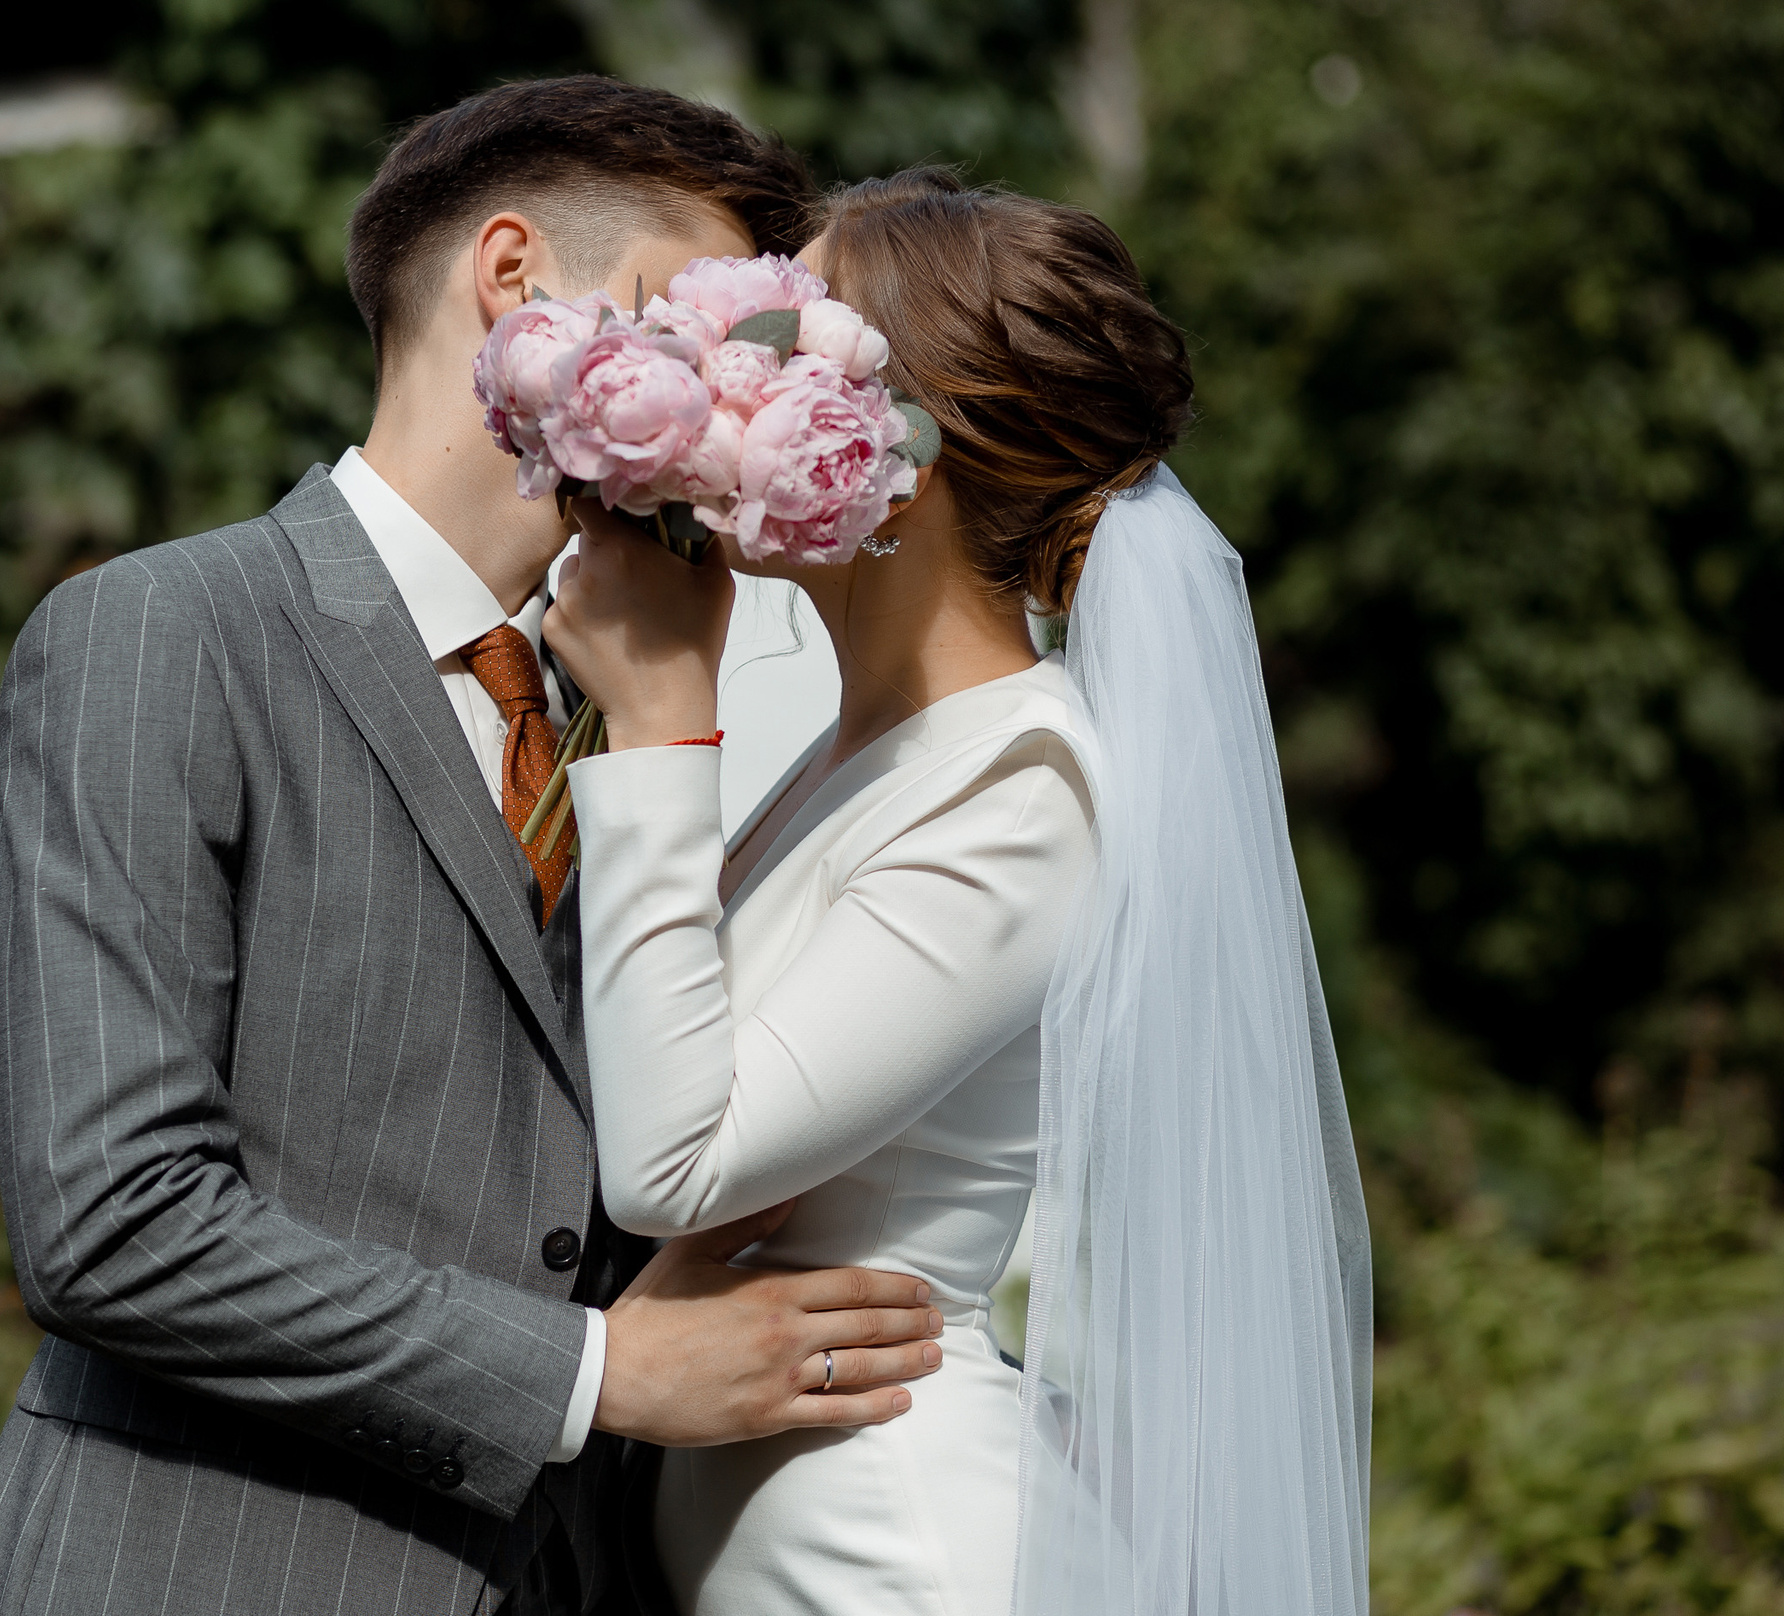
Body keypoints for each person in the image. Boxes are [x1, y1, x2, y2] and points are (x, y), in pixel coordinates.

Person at [0, 81, 953, 1616]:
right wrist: (600, 1369)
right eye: (711, 325)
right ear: (517, 276)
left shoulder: (666, 698)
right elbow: (113, 1222)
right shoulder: (161, 635)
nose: (751, 391)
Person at [545, 165, 1373, 1614]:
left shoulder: (1023, 790)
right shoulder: (870, 742)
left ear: (896, 460)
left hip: (889, 1541)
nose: (718, 383)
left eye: (782, 346)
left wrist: (661, 731)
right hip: (770, 1516)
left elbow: (678, 1160)